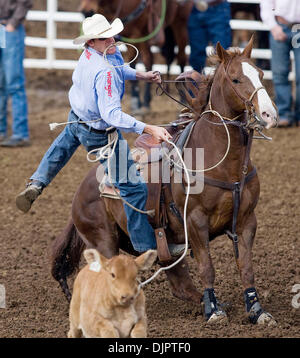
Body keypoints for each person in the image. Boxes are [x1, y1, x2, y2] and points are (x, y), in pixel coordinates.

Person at [16, 14, 184, 257]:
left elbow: (118, 68)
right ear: (91, 42)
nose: (112, 39)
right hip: (99, 133)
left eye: (111, 34)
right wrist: (150, 128)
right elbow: (113, 115)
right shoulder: (103, 71)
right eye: (105, 37)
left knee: (60, 149)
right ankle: (146, 248)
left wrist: (142, 75)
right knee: (133, 189)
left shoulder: (94, 55)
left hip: (77, 118)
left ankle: (37, 182)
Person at [260, 0, 300, 127]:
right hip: (280, 25)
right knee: (279, 73)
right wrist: (273, 26)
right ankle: (284, 113)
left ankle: (296, 114)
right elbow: (266, 3)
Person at [0, 0, 32, 147]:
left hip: (9, 28)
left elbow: (25, 2)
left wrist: (12, 24)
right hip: (5, 27)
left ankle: (20, 133)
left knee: (14, 82)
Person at [187, 0, 232, 72]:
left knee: (221, 52)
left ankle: (221, 80)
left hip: (217, 7)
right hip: (196, 8)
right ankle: (199, 80)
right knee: (196, 53)